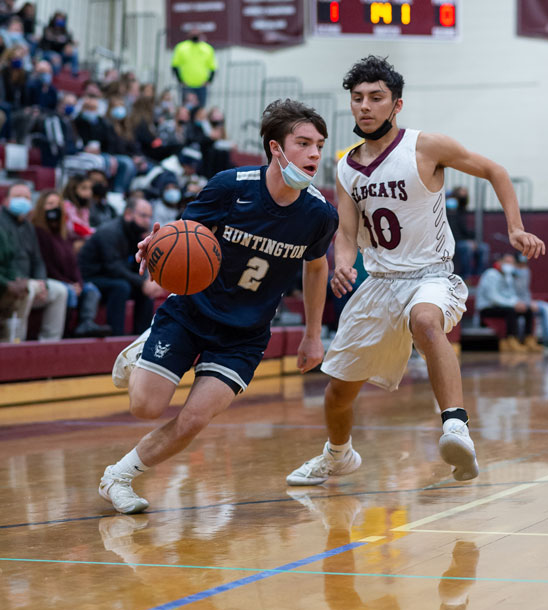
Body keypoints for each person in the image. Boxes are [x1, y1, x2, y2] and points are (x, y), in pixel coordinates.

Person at [286, 56, 545, 487]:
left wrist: (515, 227)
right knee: (338, 394)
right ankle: (338, 455)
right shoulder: (346, 164)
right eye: (357, 99)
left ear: (397, 104)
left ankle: (456, 427)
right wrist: (344, 265)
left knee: (426, 321)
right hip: (380, 282)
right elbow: (347, 232)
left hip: (431, 274)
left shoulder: (426, 146)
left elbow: (494, 171)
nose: (365, 106)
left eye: (376, 98)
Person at [98, 99, 338, 514]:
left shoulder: (319, 215)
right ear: (275, 148)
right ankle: (144, 349)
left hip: (244, 334)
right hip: (191, 312)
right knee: (145, 407)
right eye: (304, 143)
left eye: (319, 144)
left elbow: (316, 269)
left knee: (193, 420)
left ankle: (118, 476)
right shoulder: (232, 185)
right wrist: (155, 247)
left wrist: (312, 336)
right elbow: (184, 236)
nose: (315, 153)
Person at [78, 196, 164, 337]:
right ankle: (116, 336)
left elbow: (135, 264)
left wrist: (148, 280)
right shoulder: (110, 232)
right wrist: (141, 282)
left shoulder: (135, 233)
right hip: (91, 278)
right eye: (143, 216)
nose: (147, 221)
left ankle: (142, 337)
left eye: (149, 217)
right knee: (121, 287)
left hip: (113, 277)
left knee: (144, 292)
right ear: (128, 214)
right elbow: (112, 267)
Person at [31, 189, 111, 338]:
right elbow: (47, 266)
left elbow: (74, 265)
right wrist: (69, 284)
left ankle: (85, 325)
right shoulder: (39, 232)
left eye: (58, 205)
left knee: (91, 289)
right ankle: (66, 335)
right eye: (50, 204)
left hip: (69, 281)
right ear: (41, 208)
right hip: (53, 280)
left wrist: (79, 283)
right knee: (68, 292)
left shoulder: (64, 234)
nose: (55, 208)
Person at [0, 182, 68, 341]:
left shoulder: (29, 227)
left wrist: (41, 281)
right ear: (6, 201)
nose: (22, 200)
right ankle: (16, 343)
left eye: (26, 197)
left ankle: (49, 343)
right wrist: (12, 282)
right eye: (18, 197)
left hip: (30, 280)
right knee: (27, 290)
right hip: (9, 284)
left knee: (60, 291)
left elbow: (37, 260)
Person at [476, 253, 542, 353]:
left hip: (502, 306)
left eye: (512, 263)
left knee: (528, 310)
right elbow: (493, 297)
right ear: (499, 262)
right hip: (487, 307)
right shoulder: (491, 274)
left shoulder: (508, 276)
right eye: (507, 262)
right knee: (511, 311)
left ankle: (529, 340)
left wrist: (519, 303)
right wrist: (513, 304)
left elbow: (511, 294)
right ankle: (510, 341)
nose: (509, 265)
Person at [513, 252, 548, 348]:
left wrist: (529, 302)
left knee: (547, 308)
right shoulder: (509, 275)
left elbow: (525, 293)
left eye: (524, 265)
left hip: (526, 302)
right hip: (515, 304)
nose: (522, 268)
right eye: (520, 265)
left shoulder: (527, 272)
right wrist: (526, 303)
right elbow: (509, 295)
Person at [447, 185, 490, 279]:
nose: (464, 195)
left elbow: (464, 230)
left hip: (463, 240)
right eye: (461, 192)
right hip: (452, 241)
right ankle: (466, 275)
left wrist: (472, 240)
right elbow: (453, 231)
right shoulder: (447, 210)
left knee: (483, 248)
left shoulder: (461, 211)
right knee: (466, 247)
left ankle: (478, 275)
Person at [171, 28, 218, 108]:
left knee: (200, 109)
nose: (195, 35)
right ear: (188, 35)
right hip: (186, 85)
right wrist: (180, 80)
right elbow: (175, 66)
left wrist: (209, 80)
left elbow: (213, 67)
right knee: (186, 109)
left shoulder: (207, 48)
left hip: (201, 86)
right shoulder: (181, 47)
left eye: (197, 33)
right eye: (193, 33)